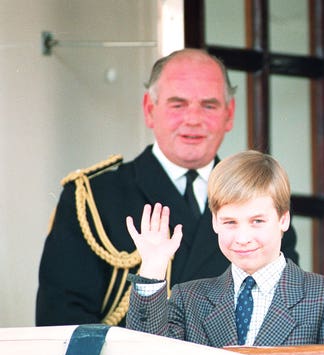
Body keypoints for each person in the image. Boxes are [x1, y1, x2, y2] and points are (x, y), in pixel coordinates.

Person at [36, 49, 298, 327]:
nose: (193, 119)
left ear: (229, 114)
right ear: (150, 110)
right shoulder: (95, 197)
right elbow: (62, 321)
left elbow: (283, 310)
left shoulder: (262, 200)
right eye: (178, 104)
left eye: (209, 105)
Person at [125, 150, 324, 346]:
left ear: (284, 219)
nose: (243, 238)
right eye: (230, 222)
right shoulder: (189, 298)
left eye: (257, 221)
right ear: (215, 222)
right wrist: (154, 267)